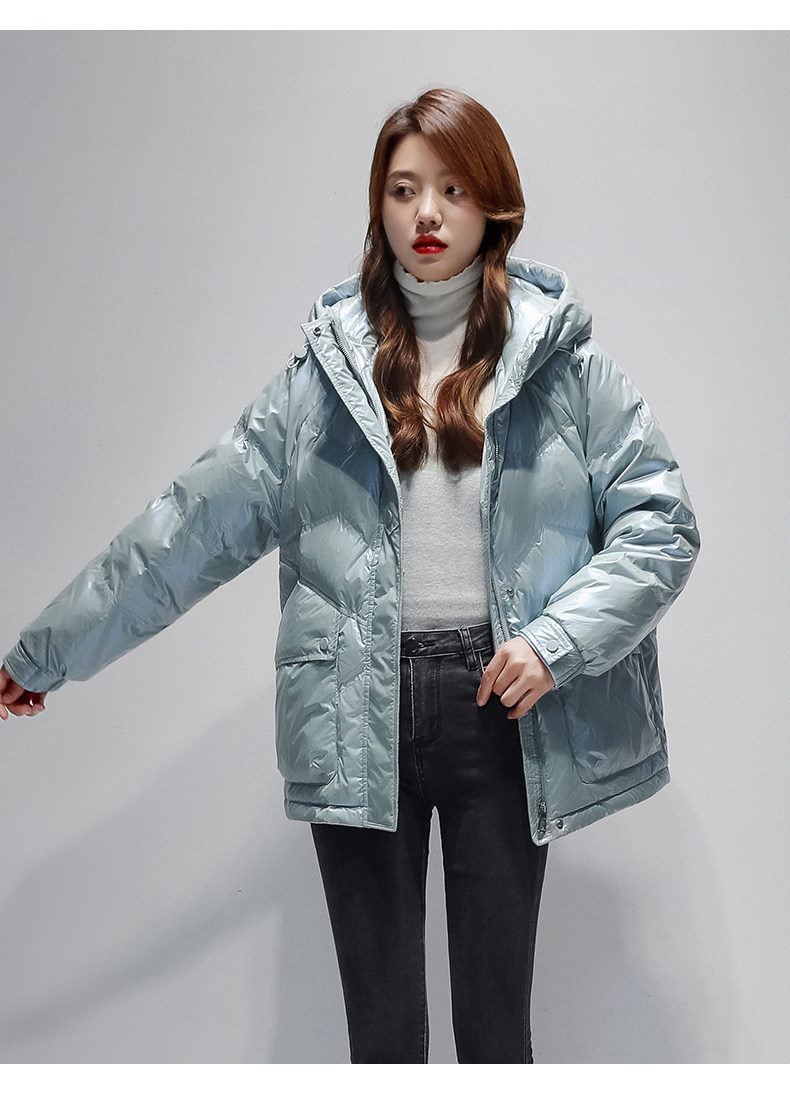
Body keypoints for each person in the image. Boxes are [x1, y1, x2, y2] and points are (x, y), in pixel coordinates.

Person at [0, 88, 699, 1063]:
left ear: (493, 201)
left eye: (451, 189)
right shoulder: (319, 385)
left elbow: (660, 527)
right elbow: (182, 534)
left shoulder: (568, 369)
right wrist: (44, 653)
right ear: (378, 205)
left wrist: (555, 642)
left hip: (505, 710)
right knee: (381, 1043)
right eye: (402, 189)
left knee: (496, 1038)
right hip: (354, 712)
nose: (425, 213)